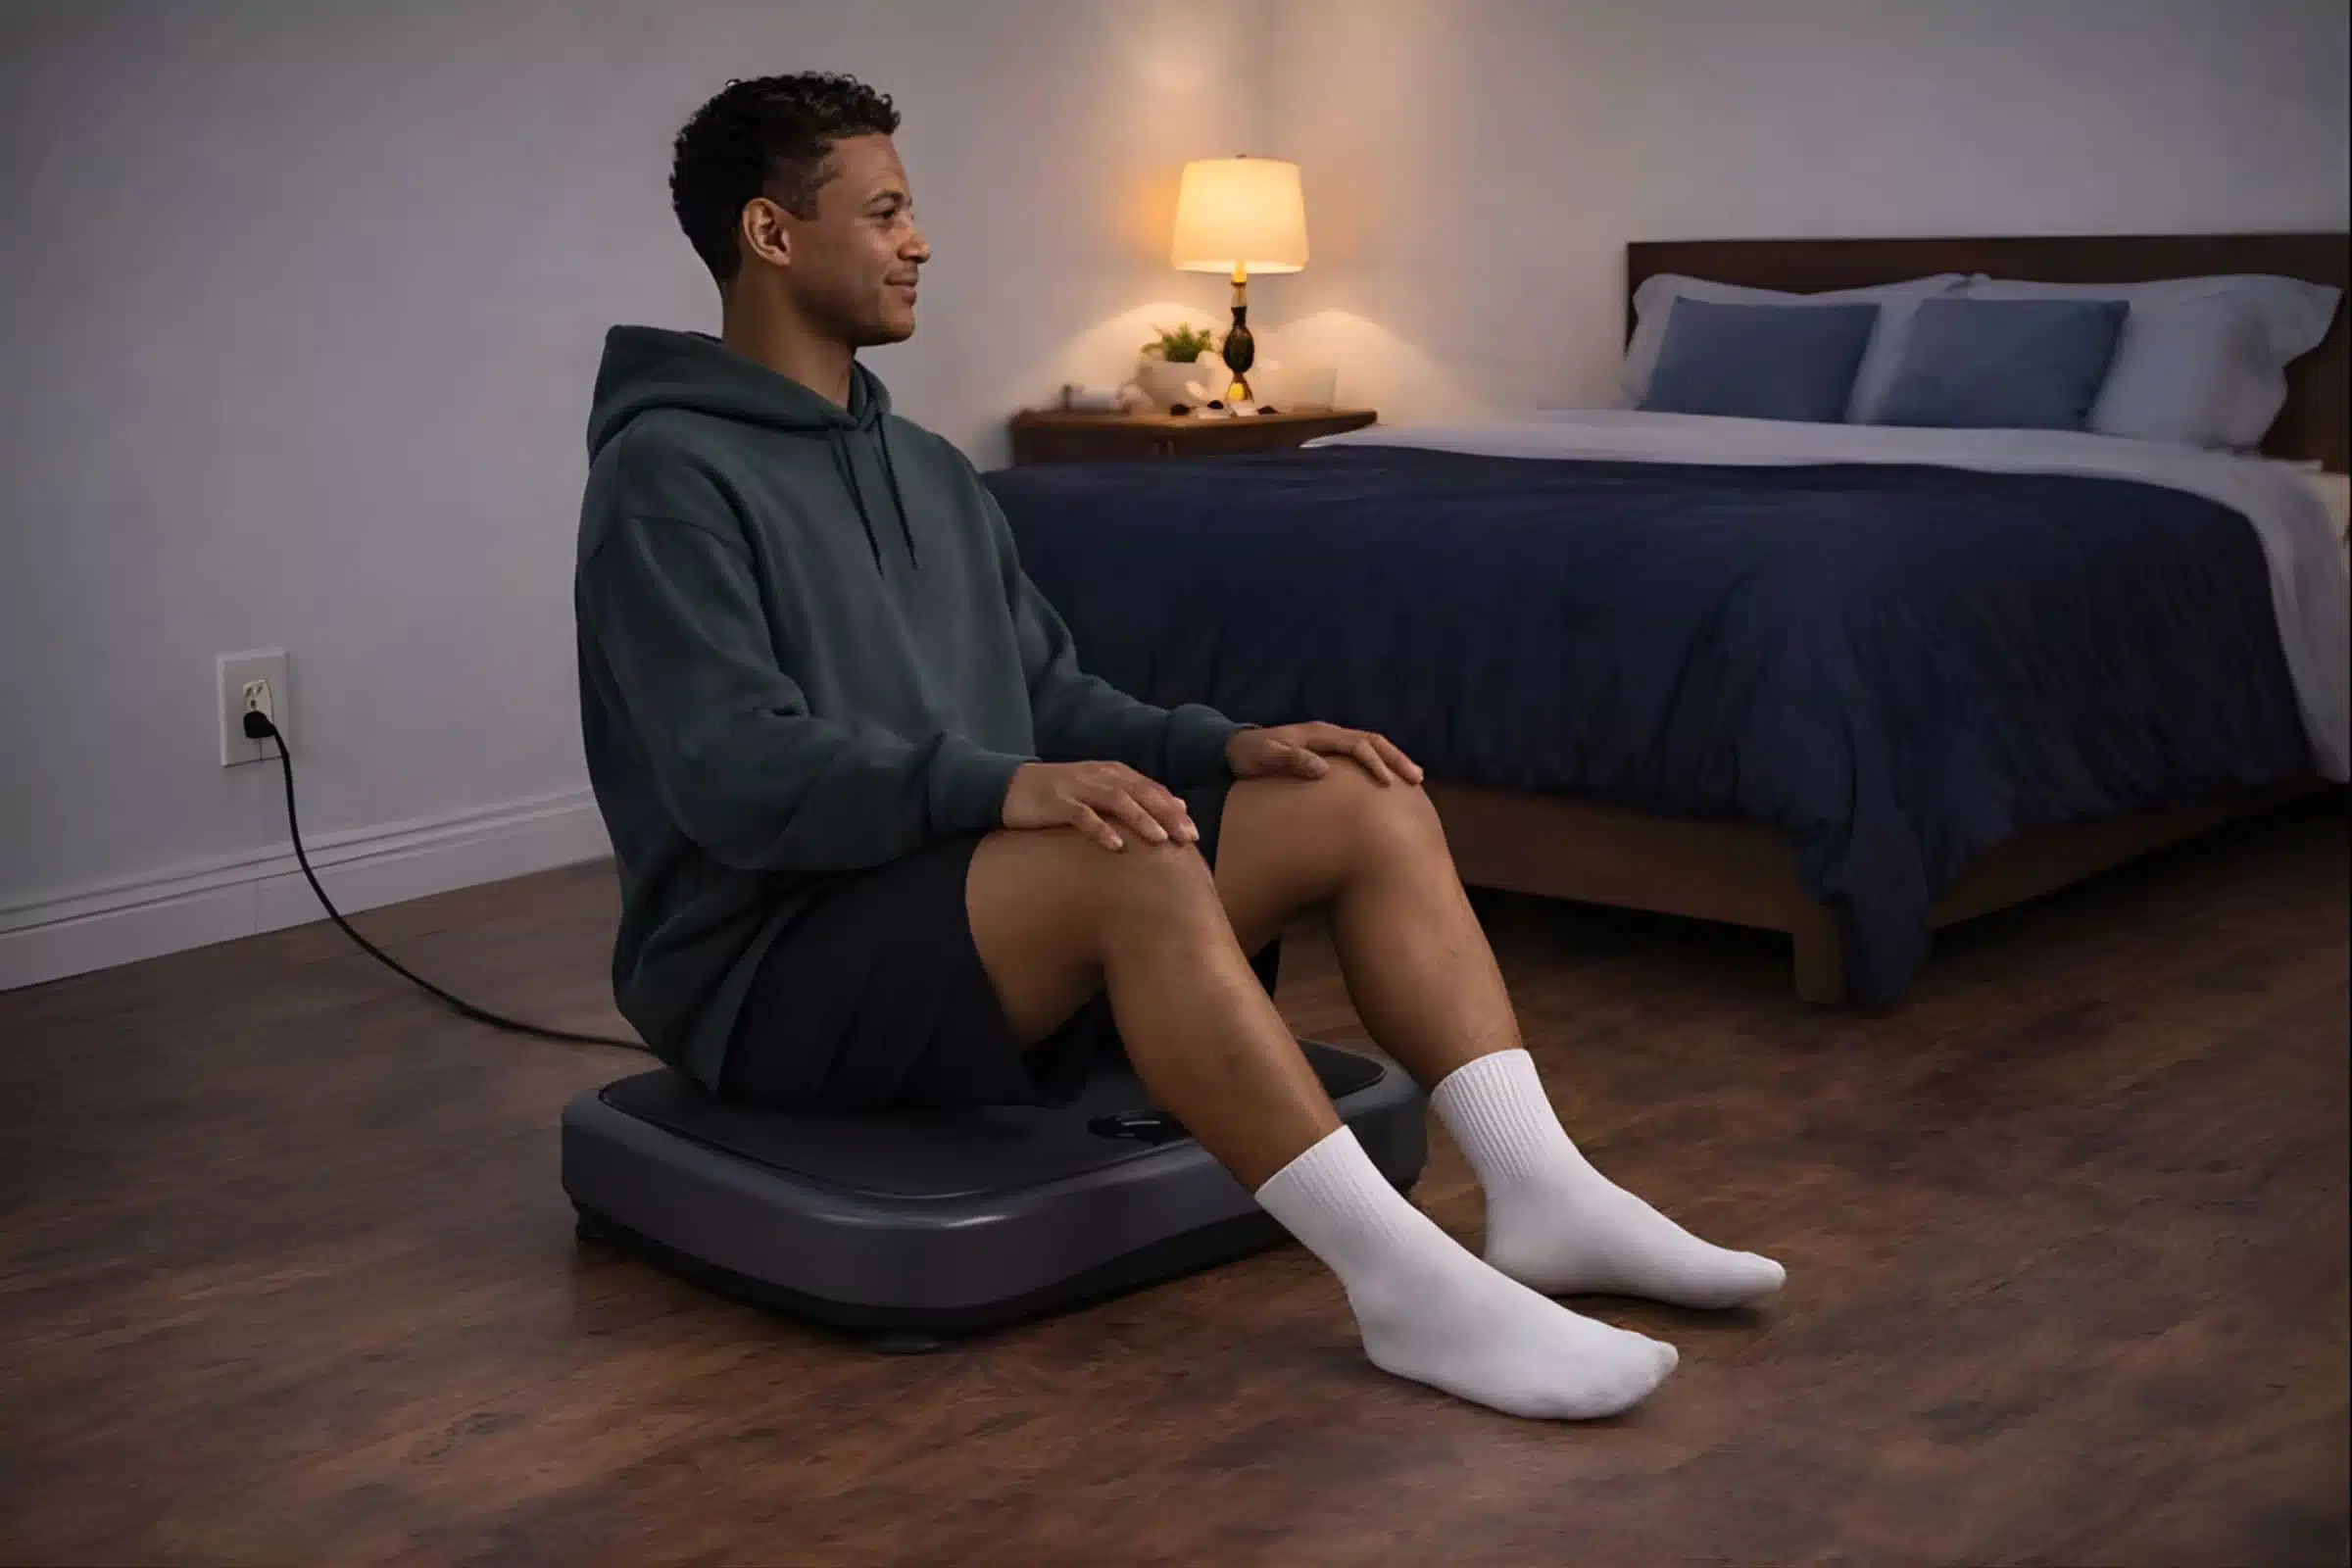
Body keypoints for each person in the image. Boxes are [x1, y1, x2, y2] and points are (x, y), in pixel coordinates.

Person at [573, 72, 1783, 1422]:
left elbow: (1052, 696)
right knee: (1129, 864)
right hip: (768, 963)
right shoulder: (666, 474)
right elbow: (737, 774)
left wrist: (1235, 744)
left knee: (1355, 799)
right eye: (888, 211)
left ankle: (1546, 1193)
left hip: (950, 906)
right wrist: (1008, 786)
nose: (921, 241)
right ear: (772, 234)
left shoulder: (921, 465)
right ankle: (1405, 1290)